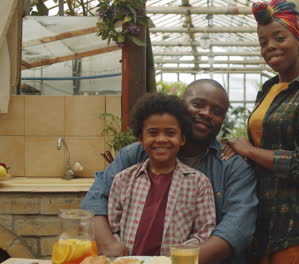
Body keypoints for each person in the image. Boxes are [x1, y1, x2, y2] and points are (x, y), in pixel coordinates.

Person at [81, 79, 258, 264]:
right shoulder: (134, 155)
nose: (206, 113)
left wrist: (174, 261)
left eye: (217, 111)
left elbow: (237, 229)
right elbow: (96, 198)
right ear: (181, 106)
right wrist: (110, 245)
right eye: (198, 104)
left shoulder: (232, 167)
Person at [222, 0, 299, 263]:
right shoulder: (268, 90)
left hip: (298, 229)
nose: (270, 47)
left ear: (298, 38)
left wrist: (251, 151)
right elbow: (262, 145)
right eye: (263, 42)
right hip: (263, 225)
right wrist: (240, 152)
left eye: (280, 37)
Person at [107, 93, 216, 256]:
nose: (162, 139)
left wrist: (175, 256)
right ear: (141, 139)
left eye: (170, 133)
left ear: (182, 139)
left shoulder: (199, 183)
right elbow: (112, 228)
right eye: (152, 133)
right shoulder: (123, 180)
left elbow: (204, 232)